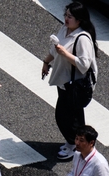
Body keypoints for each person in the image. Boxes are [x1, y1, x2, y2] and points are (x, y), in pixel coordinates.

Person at [41, 1, 98, 161]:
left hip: (75, 85)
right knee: (69, 116)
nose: (66, 19)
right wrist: (46, 62)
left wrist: (65, 54)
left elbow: (84, 65)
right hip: (64, 81)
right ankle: (75, 142)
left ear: (79, 20)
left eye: (70, 17)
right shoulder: (64, 29)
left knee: (68, 117)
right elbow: (54, 49)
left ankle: (75, 145)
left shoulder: (82, 38)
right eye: (66, 15)